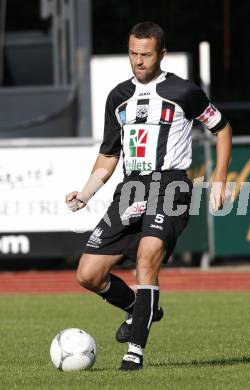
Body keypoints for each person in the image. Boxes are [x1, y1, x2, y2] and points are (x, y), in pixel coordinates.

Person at [65, 22, 232, 371]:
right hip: (131, 187)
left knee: (148, 253)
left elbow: (222, 128)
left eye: (146, 54)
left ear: (162, 54)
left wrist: (219, 178)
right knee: (88, 274)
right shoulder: (118, 97)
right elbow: (109, 155)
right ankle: (141, 309)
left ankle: (135, 353)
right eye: (133, 53)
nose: (138, 61)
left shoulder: (184, 92)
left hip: (171, 185)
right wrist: (86, 192)